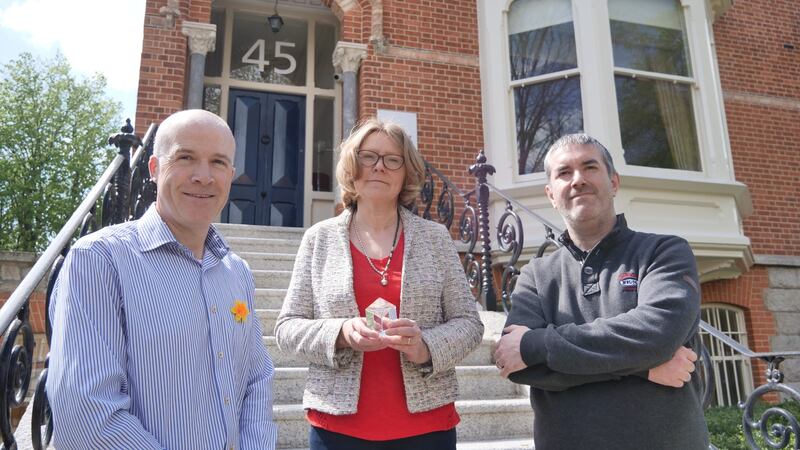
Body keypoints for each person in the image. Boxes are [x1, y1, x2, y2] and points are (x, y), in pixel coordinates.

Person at [46, 109, 278, 449]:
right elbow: (87, 417)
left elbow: (257, 380)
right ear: (154, 169)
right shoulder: (99, 261)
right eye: (185, 157)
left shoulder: (236, 271)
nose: (203, 176)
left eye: (217, 162)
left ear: (230, 175)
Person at [275, 118, 484, 450]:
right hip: (337, 427)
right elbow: (287, 328)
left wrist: (425, 347)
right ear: (352, 167)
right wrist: (341, 333)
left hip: (427, 426)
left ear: (406, 173)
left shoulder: (435, 238)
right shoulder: (319, 239)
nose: (379, 167)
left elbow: (469, 324)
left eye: (392, 159)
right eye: (368, 156)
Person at [494, 133, 709, 449]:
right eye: (564, 172)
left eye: (590, 167)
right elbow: (517, 366)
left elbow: (658, 336)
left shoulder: (664, 252)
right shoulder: (535, 275)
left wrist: (535, 346)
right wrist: (644, 368)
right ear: (551, 194)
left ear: (614, 182)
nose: (578, 179)